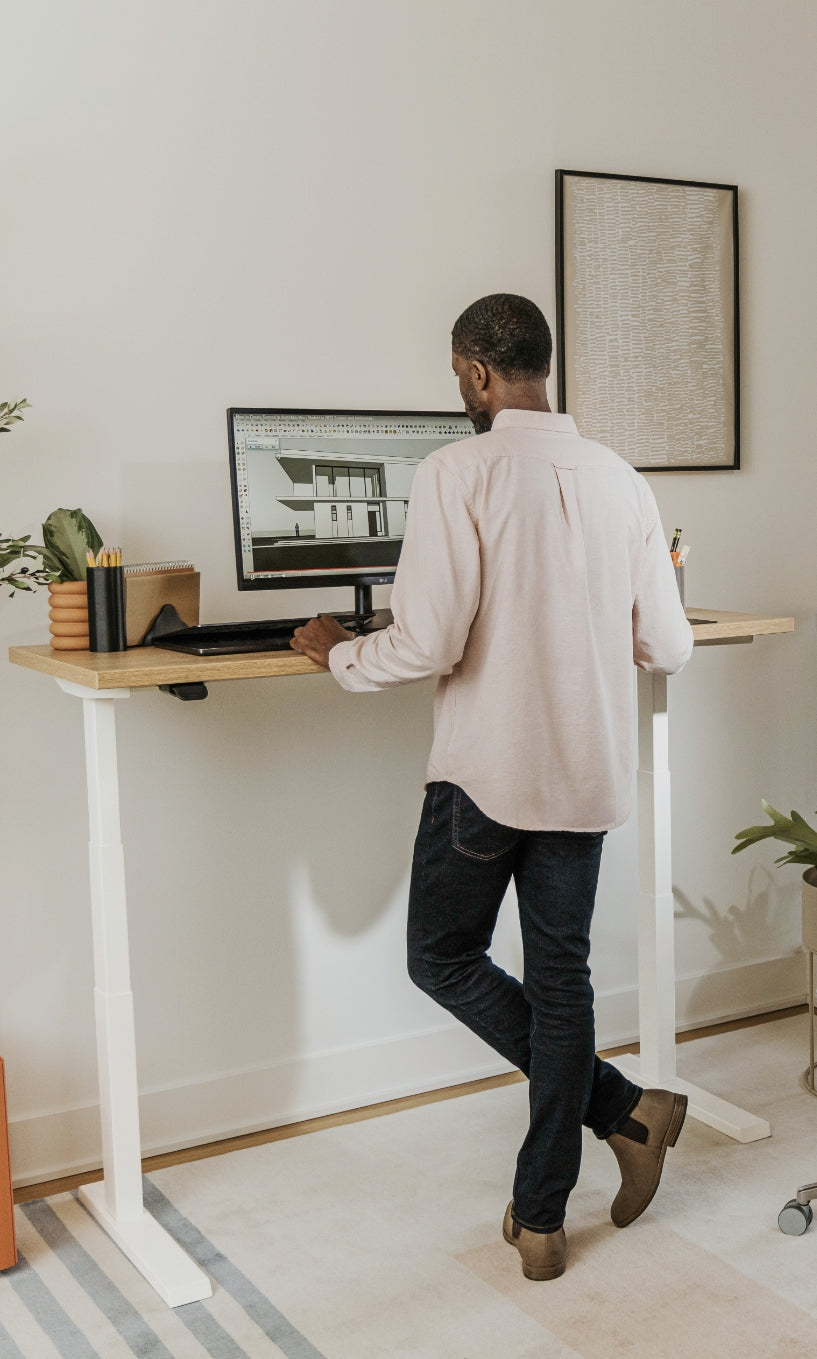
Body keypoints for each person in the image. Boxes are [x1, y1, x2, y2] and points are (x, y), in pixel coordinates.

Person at [290, 293, 694, 1281]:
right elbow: (668, 645)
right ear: (540, 367)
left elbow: (428, 640)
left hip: (488, 774)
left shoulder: (455, 471)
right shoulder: (620, 479)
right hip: (585, 775)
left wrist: (339, 651)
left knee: (441, 957)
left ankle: (623, 1116)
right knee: (562, 984)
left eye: (457, 376)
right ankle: (558, 1200)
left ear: (474, 372)